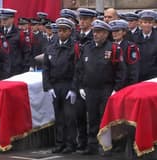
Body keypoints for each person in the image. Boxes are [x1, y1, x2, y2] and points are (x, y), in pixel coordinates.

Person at [74, 19, 126, 155]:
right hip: (90, 89)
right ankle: (91, 146)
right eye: (94, 31)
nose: (95, 34)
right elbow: (79, 69)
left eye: (99, 32)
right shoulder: (87, 47)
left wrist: (116, 89)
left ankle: (105, 147)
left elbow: (121, 71)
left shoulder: (113, 49)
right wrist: (80, 86)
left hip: (106, 89)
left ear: (105, 33)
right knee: (92, 118)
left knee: (105, 118)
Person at [43, 18, 78, 154]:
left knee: (69, 116)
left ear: (70, 31)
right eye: (59, 30)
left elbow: (78, 69)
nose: (61, 33)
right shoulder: (51, 47)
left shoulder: (75, 47)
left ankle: (71, 143)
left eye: (64, 30)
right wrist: (49, 86)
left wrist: (74, 88)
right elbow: (46, 68)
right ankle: (60, 143)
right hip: (55, 85)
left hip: (68, 84)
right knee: (58, 117)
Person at [75, 8, 97, 153]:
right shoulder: (75, 36)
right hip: (77, 80)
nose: (81, 22)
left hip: (91, 81)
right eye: (80, 19)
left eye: (85, 19)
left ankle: (92, 144)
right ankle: (81, 142)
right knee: (79, 114)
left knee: (93, 116)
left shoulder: (95, 37)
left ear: (91, 21)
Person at [0, 8, 31, 75]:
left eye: (5, 19)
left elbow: (26, 52)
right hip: (1, 70)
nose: (3, 21)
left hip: (15, 70)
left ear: (12, 19)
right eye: (2, 19)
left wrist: (24, 71)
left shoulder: (19, 33)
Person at [110, 19, 140, 86]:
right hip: (112, 84)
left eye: (117, 31)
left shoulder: (130, 47)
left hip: (126, 84)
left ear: (124, 32)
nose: (114, 33)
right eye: (113, 31)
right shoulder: (110, 46)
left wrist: (131, 86)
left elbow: (133, 70)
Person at [133, 10, 157, 81]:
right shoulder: (134, 37)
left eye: (149, 22)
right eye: (145, 22)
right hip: (138, 75)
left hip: (153, 75)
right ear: (140, 24)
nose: (147, 25)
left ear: (153, 24)